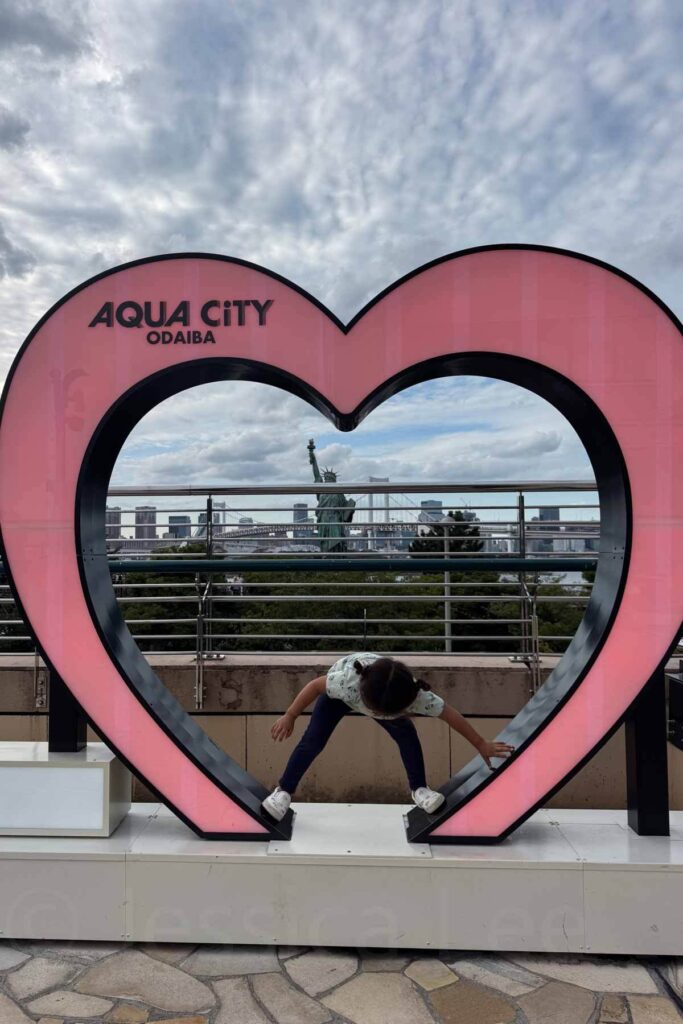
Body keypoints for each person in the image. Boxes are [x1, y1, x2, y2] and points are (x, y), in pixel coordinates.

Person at [261, 652, 515, 821]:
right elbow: (315, 686)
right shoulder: (345, 683)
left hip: (387, 696)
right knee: (313, 741)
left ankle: (419, 789)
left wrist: (481, 744)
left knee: (407, 737)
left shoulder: (415, 695)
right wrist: (291, 715)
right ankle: (283, 791)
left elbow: (450, 716)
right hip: (341, 697)